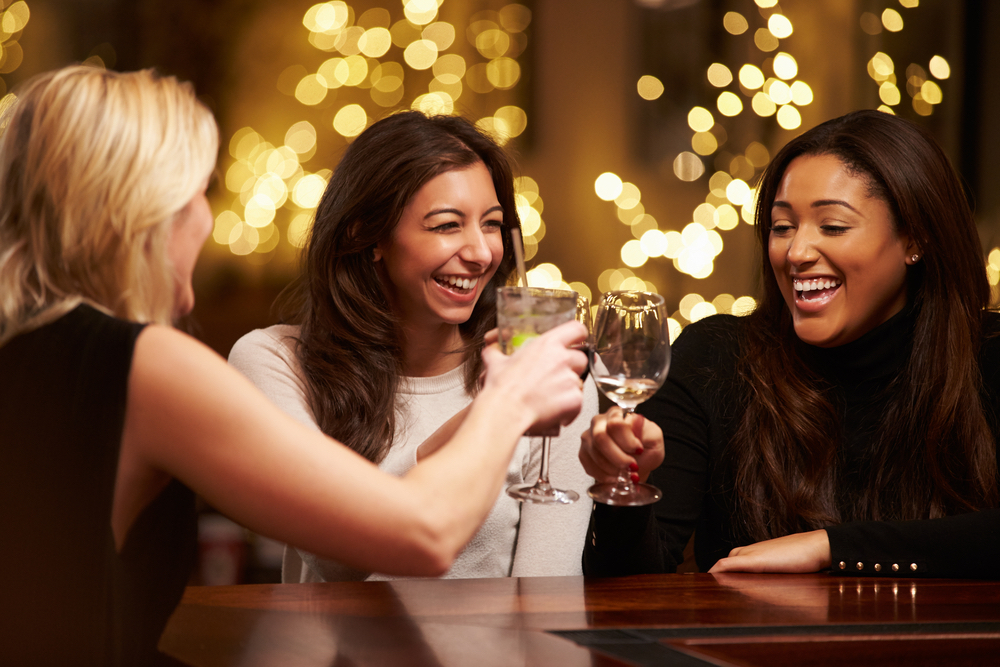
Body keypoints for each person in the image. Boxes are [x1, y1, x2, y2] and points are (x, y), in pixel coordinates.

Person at [0, 66, 588, 666]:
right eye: (198, 193)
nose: (205, 219)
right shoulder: (144, 364)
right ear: (139, 213)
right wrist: (511, 397)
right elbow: (422, 533)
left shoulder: (26, 351)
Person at [580, 109, 1000, 579]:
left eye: (833, 226)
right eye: (782, 227)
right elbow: (626, 590)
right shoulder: (717, 358)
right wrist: (619, 488)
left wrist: (830, 548)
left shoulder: (988, 354)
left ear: (915, 237)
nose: (796, 252)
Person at [228, 111, 598, 583]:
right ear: (367, 233)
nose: (481, 253)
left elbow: (548, 590)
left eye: (491, 224)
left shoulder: (545, 366)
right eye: (447, 225)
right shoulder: (275, 362)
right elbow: (336, 556)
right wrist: (497, 411)